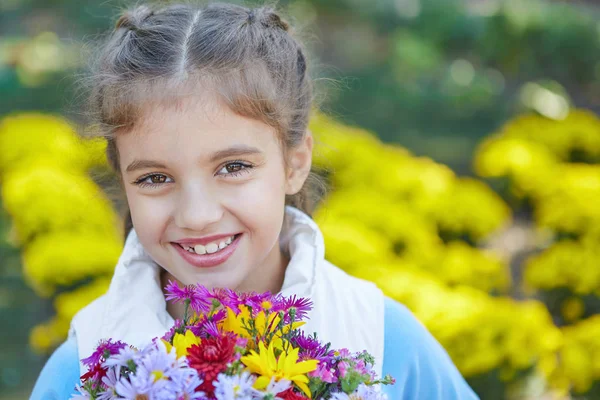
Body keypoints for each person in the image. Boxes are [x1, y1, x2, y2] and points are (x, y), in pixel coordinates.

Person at [30, 2, 479, 399]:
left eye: (233, 168)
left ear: (294, 162)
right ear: (122, 180)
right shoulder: (84, 371)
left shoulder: (384, 344)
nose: (198, 216)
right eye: (155, 177)